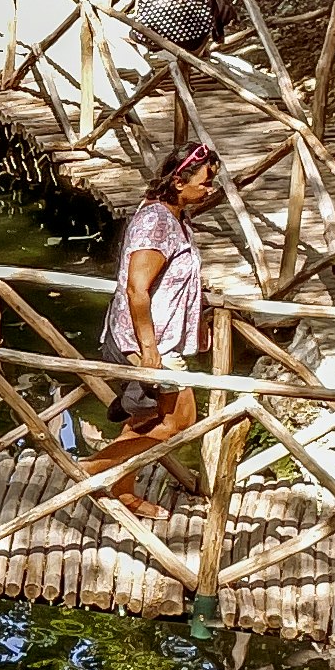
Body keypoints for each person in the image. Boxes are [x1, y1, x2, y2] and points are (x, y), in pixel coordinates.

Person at [100, 141, 220, 476]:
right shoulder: (156, 222)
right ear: (179, 183)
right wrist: (149, 349)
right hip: (152, 342)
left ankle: (121, 489)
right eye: (205, 182)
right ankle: (92, 470)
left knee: (146, 417)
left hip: (162, 337)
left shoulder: (174, 216)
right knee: (179, 421)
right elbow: (137, 288)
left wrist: (196, 322)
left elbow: (173, 281)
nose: (210, 189)